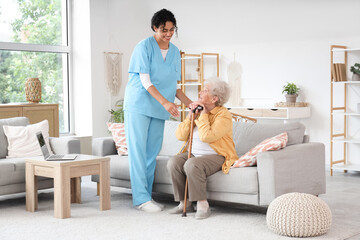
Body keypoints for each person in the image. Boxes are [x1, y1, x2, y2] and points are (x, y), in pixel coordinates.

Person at [124, 9, 192, 213]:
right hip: (139, 104)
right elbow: (145, 81)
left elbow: (174, 86)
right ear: (155, 28)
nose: (168, 34)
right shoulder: (143, 47)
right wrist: (166, 103)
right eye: (164, 30)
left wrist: (191, 103)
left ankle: (146, 196)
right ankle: (140, 199)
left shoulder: (174, 52)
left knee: (151, 152)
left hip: (159, 105)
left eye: (172, 30)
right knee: (138, 151)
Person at [167, 78, 239, 219]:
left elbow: (207, 136)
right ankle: (184, 203)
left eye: (205, 90)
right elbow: (180, 135)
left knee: (192, 164)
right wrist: (190, 117)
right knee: (173, 162)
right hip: (194, 153)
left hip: (217, 156)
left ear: (214, 98)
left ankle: (203, 205)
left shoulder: (223, 115)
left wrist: (204, 115)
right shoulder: (197, 111)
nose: (200, 92)